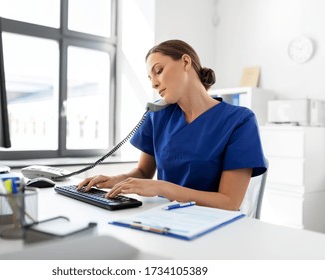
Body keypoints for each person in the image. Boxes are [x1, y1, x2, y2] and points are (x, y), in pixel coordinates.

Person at [77, 39, 267, 211]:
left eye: (158, 71)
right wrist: (115, 180)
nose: (154, 84)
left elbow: (229, 203)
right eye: (150, 78)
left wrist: (162, 188)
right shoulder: (158, 116)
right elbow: (143, 171)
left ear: (185, 62)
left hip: (212, 225)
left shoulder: (239, 121)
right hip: (163, 217)